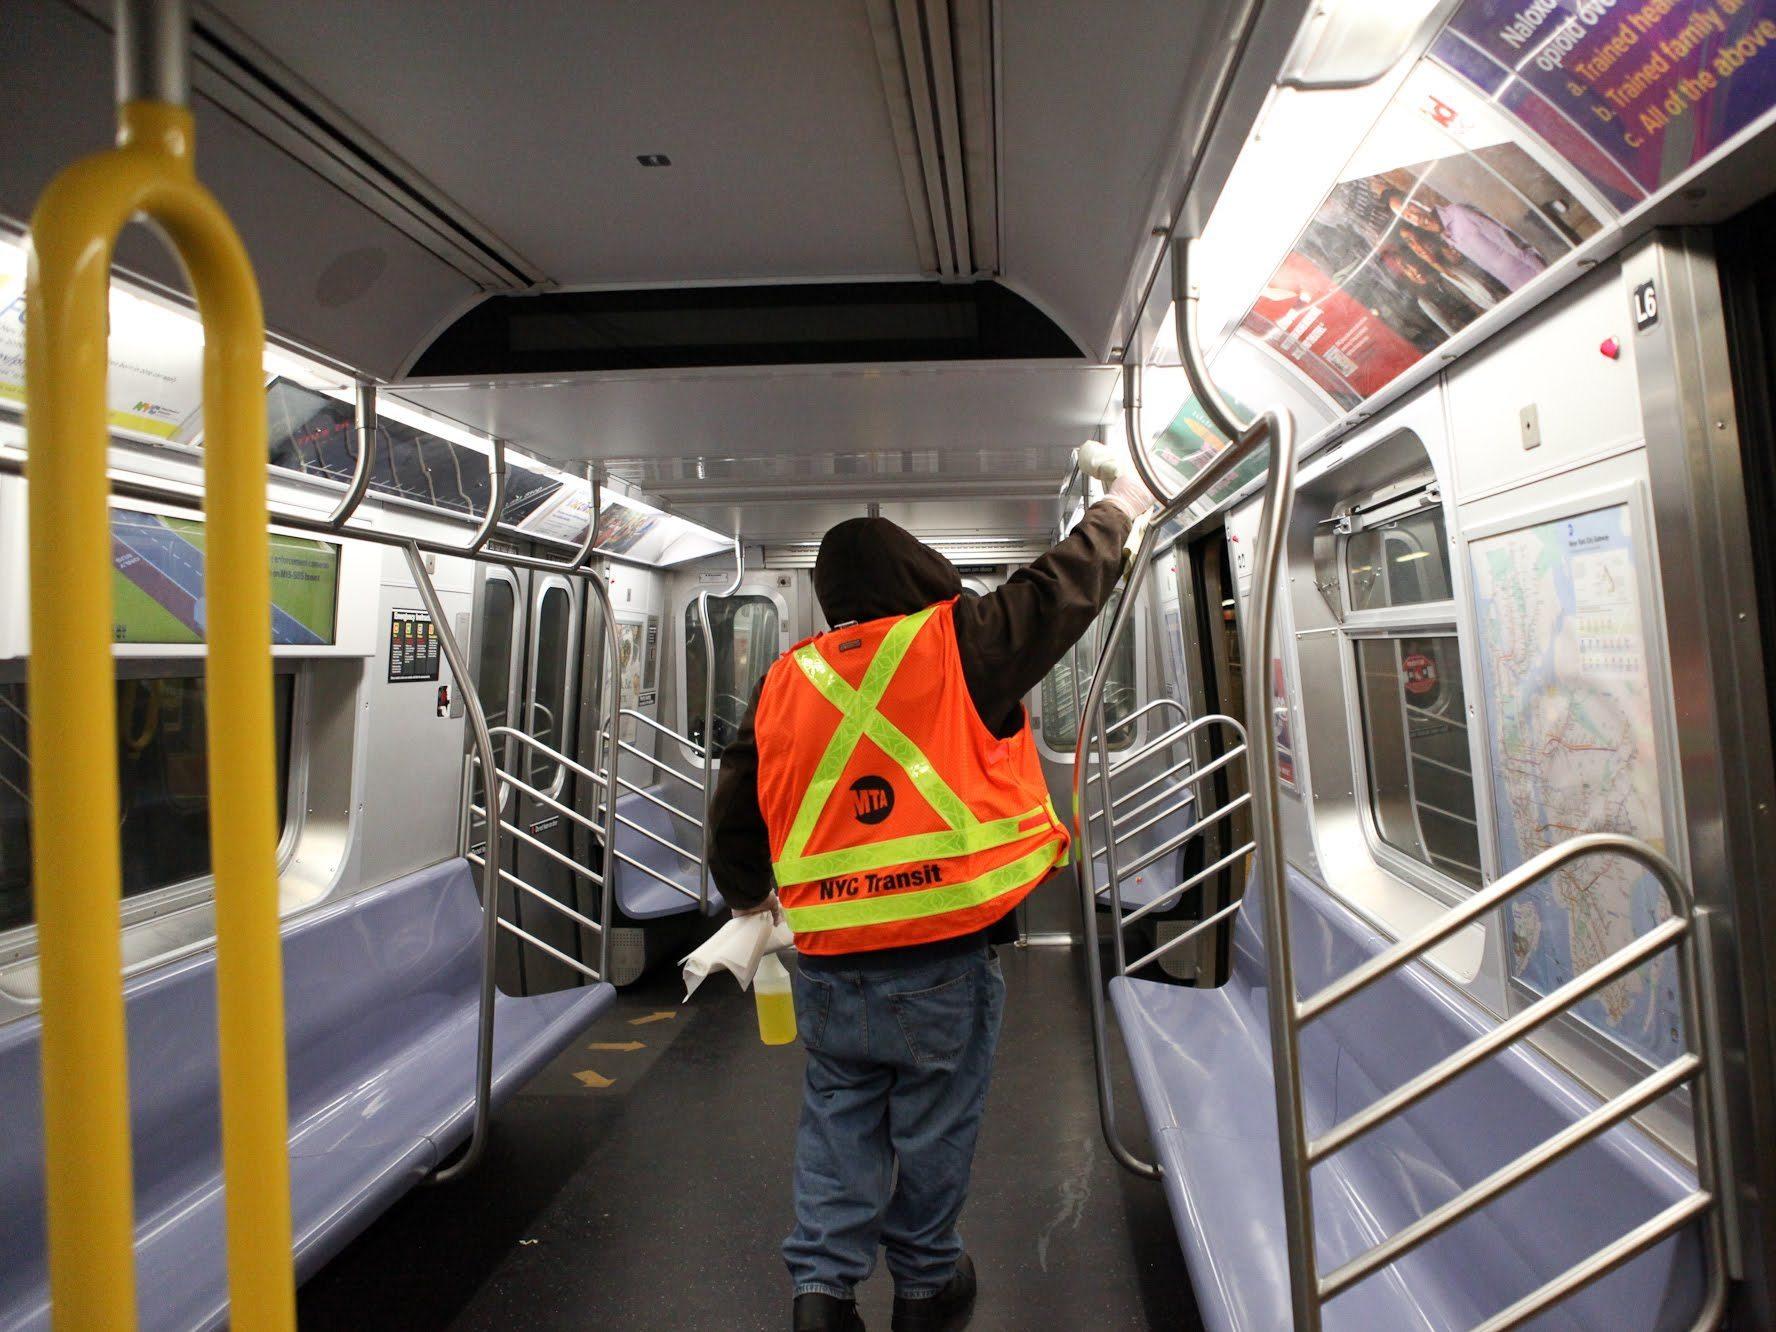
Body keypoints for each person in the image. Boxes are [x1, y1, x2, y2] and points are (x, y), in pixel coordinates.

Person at [708, 460, 1157, 1332]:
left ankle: (822, 1292)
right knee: (933, 1125)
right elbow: (1059, 589)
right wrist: (1124, 506)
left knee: (838, 1118)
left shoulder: (784, 681)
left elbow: (736, 806)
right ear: (916, 569)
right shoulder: (961, 643)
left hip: (829, 957)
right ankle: (925, 1284)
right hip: (940, 957)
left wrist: (747, 904)